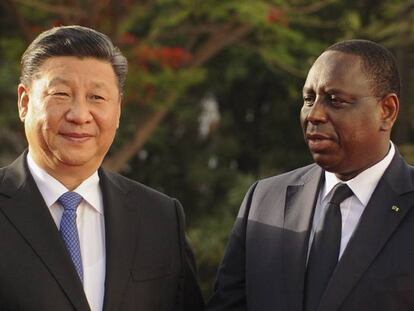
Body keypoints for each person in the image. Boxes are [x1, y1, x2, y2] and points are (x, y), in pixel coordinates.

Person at [0, 25, 204, 311]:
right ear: (24, 102)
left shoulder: (161, 218)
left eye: (96, 97)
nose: (80, 115)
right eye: (60, 94)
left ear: (118, 110)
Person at [206, 39, 414, 311]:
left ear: (386, 111)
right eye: (308, 99)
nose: (314, 114)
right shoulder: (264, 200)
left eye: (335, 101)